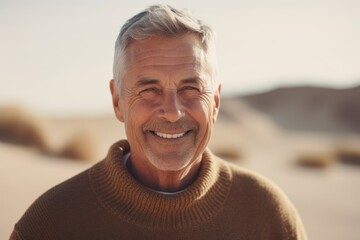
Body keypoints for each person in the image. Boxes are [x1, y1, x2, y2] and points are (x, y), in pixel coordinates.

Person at [10, 4, 307, 240]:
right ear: (117, 101)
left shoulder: (268, 214)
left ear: (215, 102)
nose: (173, 111)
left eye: (191, 88)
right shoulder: (52, 223)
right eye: (149, 89)